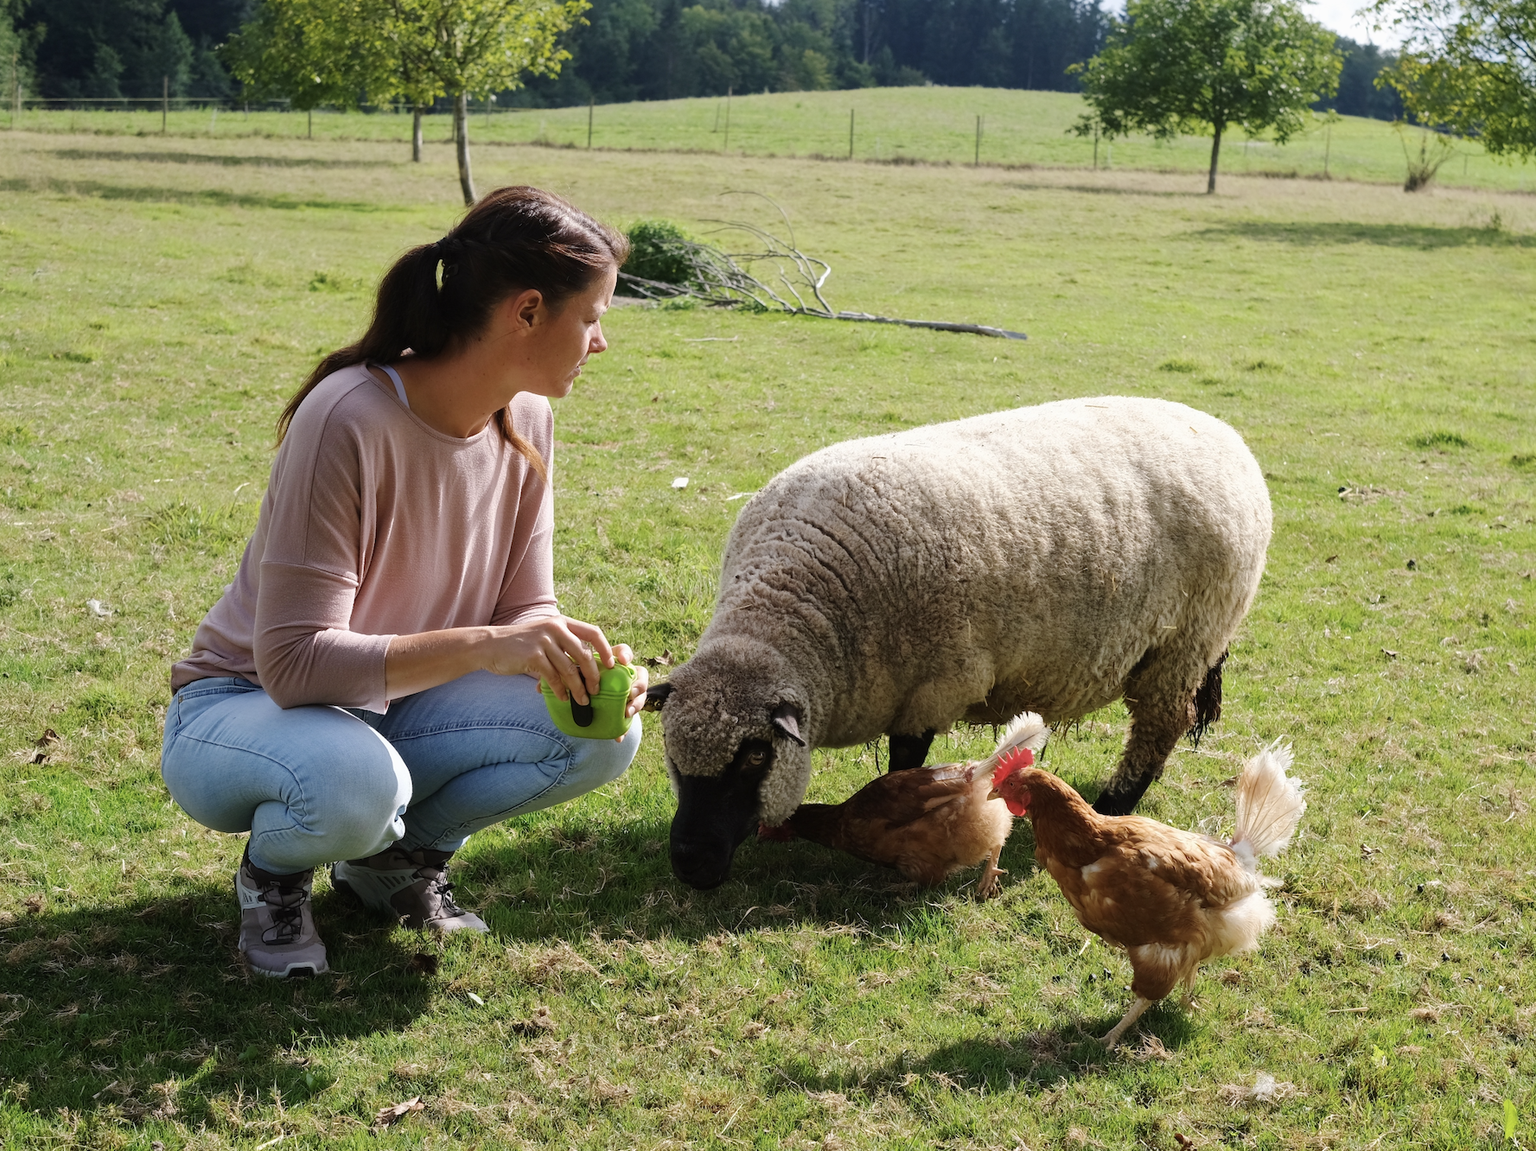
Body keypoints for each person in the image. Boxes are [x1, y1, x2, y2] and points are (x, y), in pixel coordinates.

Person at [160, 186, 646, 978]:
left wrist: (579, 666)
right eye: (591, 317)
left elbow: (526, 607)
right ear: (527, 312)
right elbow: (293, 664)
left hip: (394, 710)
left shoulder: (528, 418)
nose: (600, 343)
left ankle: (394, 863)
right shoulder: (347, 417)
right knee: (356, 782)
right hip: (243, 710)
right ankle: (273, 876)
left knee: (600, 732)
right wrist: (492, 645)